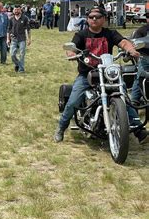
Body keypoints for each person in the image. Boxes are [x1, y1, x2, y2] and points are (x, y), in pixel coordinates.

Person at [54, 7, 148, 144]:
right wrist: (72, 53)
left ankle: (139, 130)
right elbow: (73, 46)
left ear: (103, 19)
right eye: (91, 16)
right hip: (87, 74)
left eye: (97, 16)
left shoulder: (110, 33)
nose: (94, 19)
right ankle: (61, 128)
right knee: (73, 101)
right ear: (87, 19)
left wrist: (130, 49)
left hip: (107, 73)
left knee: (124, 98)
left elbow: (123, 42)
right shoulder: (81, 34)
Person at [131, 12, 149, 105]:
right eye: (148, 17)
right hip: (145, 57)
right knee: (140, 76)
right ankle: (134, 100)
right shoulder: (141, 30)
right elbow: (135, 43)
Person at [7, 6, 31, 73]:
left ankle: (21, 70)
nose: (16, 11)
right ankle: (18, 64)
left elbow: (27, 30)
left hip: (22, 39)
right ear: (13, 10)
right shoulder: (11, 19)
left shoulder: (25, 18)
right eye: (15, 9)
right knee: (12, 54)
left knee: (22, 54)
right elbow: (8, 30)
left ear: (20, 10)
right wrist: (8, 39)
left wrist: (29, 39)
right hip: (13, 39)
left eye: (18, 9)